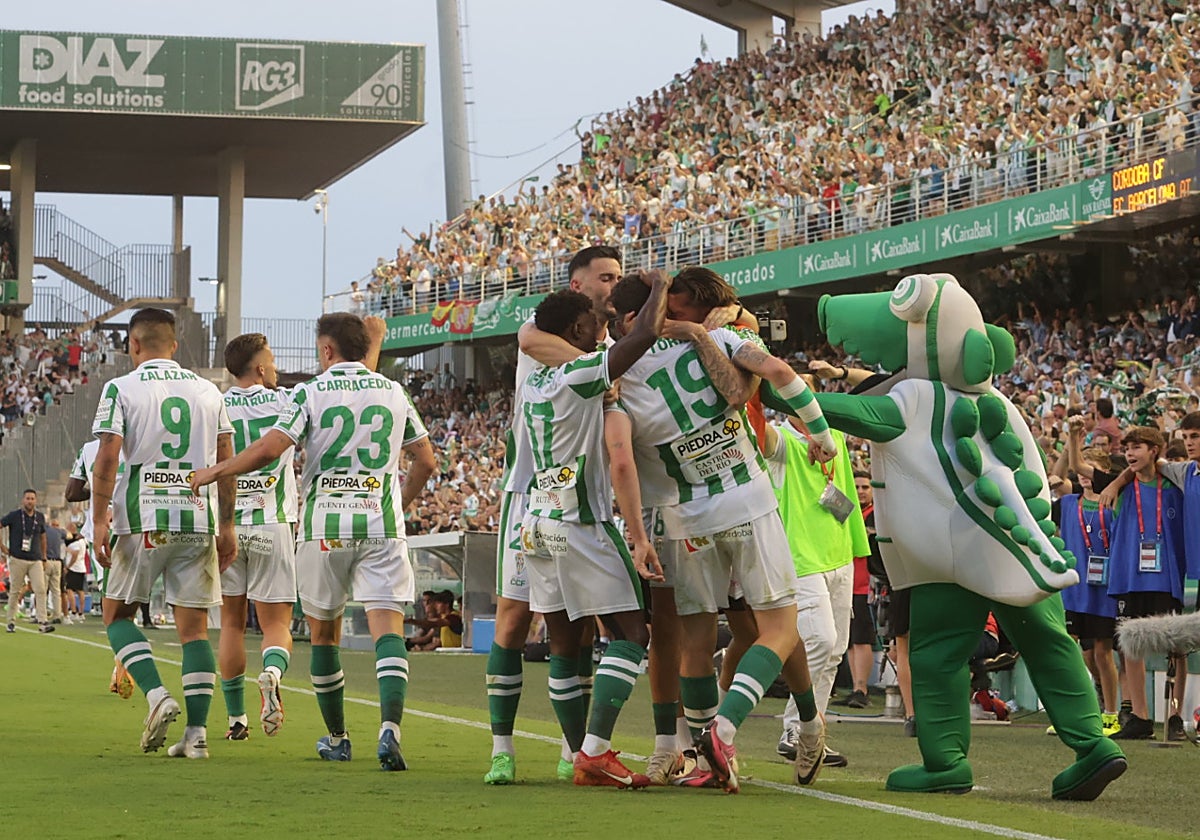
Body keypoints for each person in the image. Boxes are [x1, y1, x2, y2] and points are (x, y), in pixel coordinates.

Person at [608, 266, 839, 792]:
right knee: (778, 629)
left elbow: (620, 457)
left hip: (683, 519)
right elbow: (779, 373)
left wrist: (637, 531)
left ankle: (736, 749)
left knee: (695, 642)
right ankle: (726, 731)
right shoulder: (717, 336)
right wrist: (821, 434)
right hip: (747, 500)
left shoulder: (614, 377)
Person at [190, 313, 436, 771]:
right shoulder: (393, 392)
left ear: (326, 351)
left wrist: (215, 471)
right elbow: (426, 461)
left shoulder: (307, 394)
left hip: (323, 529)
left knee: (322, 636)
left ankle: (338, 738)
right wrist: (398, 501)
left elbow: (269, 448)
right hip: (379, 526)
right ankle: (390, 730)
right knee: (389, 630)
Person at [516, 273, 669, 789]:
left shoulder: (534, 380)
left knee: (563, 644)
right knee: (631, 633)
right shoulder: (578, 373)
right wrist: (660, 286)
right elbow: (643, 336)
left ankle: (581, 756)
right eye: (596, 325)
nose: (602, 333)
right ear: (577, 326)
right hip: (581, 522)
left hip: (536, 523)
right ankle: (595, 752)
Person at [485, 245, 622, 786]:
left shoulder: (605, 342)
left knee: (578, 629)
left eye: (618, 276)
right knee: (514, 619)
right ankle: (501, 748)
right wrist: (593, 366)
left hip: (585, 500)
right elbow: (528, 340)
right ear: (576, 283)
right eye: (603, 277)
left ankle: (574, 748)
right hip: (529, 491)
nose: (612, 284)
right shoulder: (544, 327)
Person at [91, 308, 236, 759]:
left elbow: (108, 458)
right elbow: (227, 459)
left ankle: (157, 695)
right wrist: (227, 523)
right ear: (174, 346)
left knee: (117, 615)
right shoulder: (209, 391)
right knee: (194, 632)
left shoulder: (121, 388)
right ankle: (196, 737)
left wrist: (98, 519)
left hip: (143, 518)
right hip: (197, 518)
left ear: (133, 345)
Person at [215, 333, 299, 742]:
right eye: (273, 359)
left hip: (227, 526)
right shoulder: (287, 403)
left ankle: (236, 720)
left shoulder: (215, 403)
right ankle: (272, 671)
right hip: (273, 521)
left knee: (230, 624)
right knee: (276, 623)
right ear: (261, 367)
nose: (277, 366)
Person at [2, 489, 53, 633]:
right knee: (15, 590)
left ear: (36, 501)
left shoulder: (40, 517)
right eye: (27, 498)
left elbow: (43, 537)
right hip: (17, 558)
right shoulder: (15, 515)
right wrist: (2, 547)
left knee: (40, 589)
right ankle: (11, 621)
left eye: (32, 498)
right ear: (23, 500)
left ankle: (42, 621)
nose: (30, 501)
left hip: (35, 558)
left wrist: (44, 556)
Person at [43, 518, 67, 624]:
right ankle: (57, 614)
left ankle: (41, 614)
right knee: (56, 591)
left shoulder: (45, 531)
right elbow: (69, 535)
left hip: (46, 561)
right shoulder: (59, 532)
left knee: (42, 590)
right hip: (57, 562)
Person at [63, 530, 88, 624]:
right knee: (80, 590)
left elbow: (74, 554)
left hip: (74, 568)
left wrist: (68, 567)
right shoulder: (83, 543)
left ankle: (74, 611)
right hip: (82, 567)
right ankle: (81, 612)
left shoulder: (75, 544)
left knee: (70, 590)